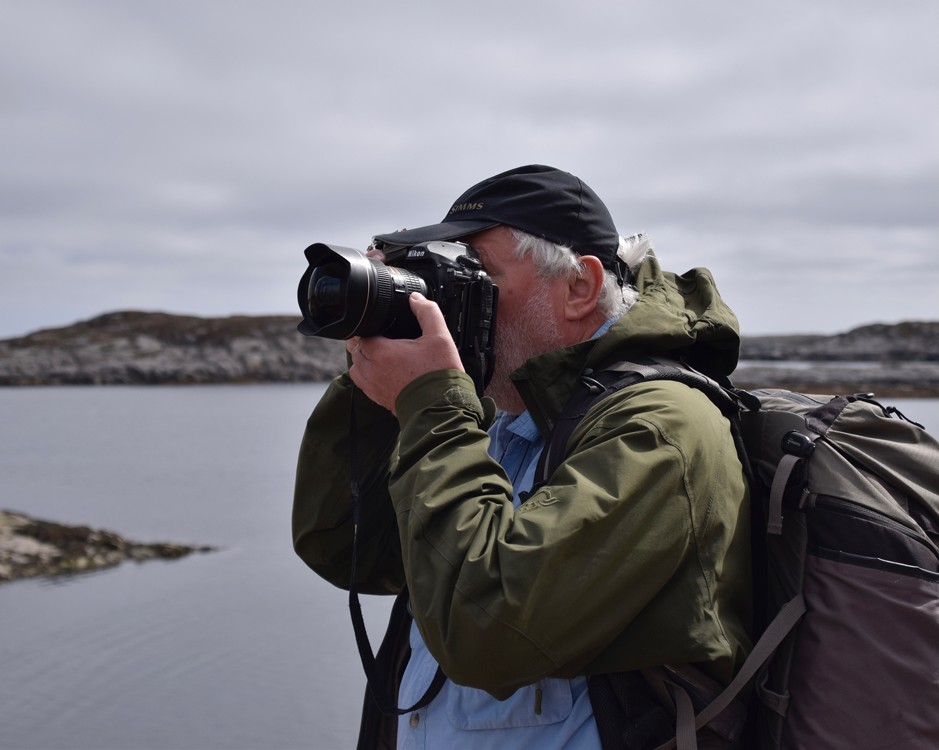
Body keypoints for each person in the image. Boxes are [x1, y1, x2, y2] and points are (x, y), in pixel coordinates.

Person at [292, 165, 752, 749]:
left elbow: (488, 629)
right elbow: (348, 546)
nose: (459, 293)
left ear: (580, 287)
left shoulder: (660, 427)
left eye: (478, 273)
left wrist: (429, 403)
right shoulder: (504, 416)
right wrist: (378, 376)